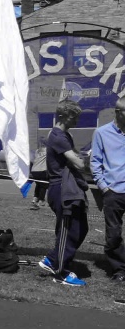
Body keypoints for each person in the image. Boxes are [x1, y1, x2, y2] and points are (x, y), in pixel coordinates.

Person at [38, 100, 89, 286]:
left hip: (68, 187)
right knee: (68, 230)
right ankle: (59, 271)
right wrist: (87, 159)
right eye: (73, 117)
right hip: (61, 189)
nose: (76, 120)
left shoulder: (65, 135)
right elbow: (79, 163)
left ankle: (55, 259)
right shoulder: (58, 136)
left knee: (81, 228)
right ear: (62, 116)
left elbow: (76, 159)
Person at [90, 99, 125, 282]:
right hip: (113, 191)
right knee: (113, 234)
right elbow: (95, 161)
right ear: (118, 112)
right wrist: (104, 187)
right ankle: (119, 269)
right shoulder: (102, 133)